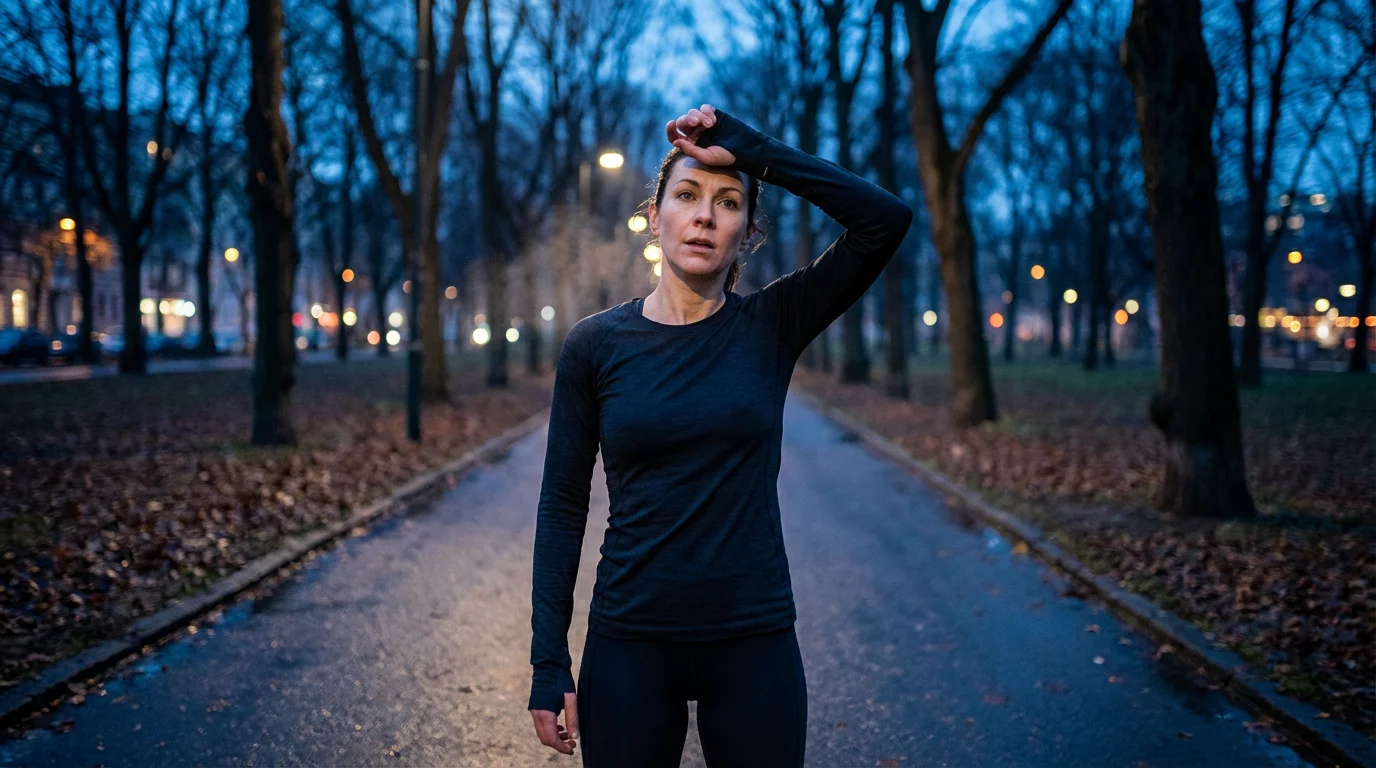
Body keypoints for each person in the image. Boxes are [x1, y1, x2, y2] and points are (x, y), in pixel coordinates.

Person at [529, 104, 913, 767]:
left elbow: (884, 221)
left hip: (753, 640)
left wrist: (753, 150)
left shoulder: (773, 324)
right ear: (657, 218)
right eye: (687, 195)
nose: (705, 215)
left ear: (746, 234)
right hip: (631, 641)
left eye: (728, 202)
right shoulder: (595, 346)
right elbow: (563, 505)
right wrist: (547, 660)